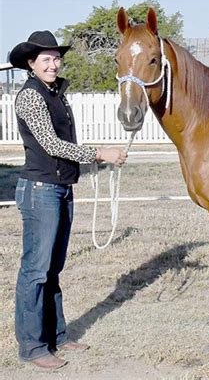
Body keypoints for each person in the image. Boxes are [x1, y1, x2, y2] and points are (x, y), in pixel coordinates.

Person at [9, 30, 127, 370]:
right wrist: (99, 153)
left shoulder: (56, 93)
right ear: (31, 64)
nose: (53, 64)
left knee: (52, 269)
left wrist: (96, 153)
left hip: (59, 188)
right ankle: (32, 347)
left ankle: (57, 336)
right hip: (40, 190)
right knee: (35, 271)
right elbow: (51, 145)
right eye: (46, 59)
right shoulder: (31, 96)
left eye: (56, 58)